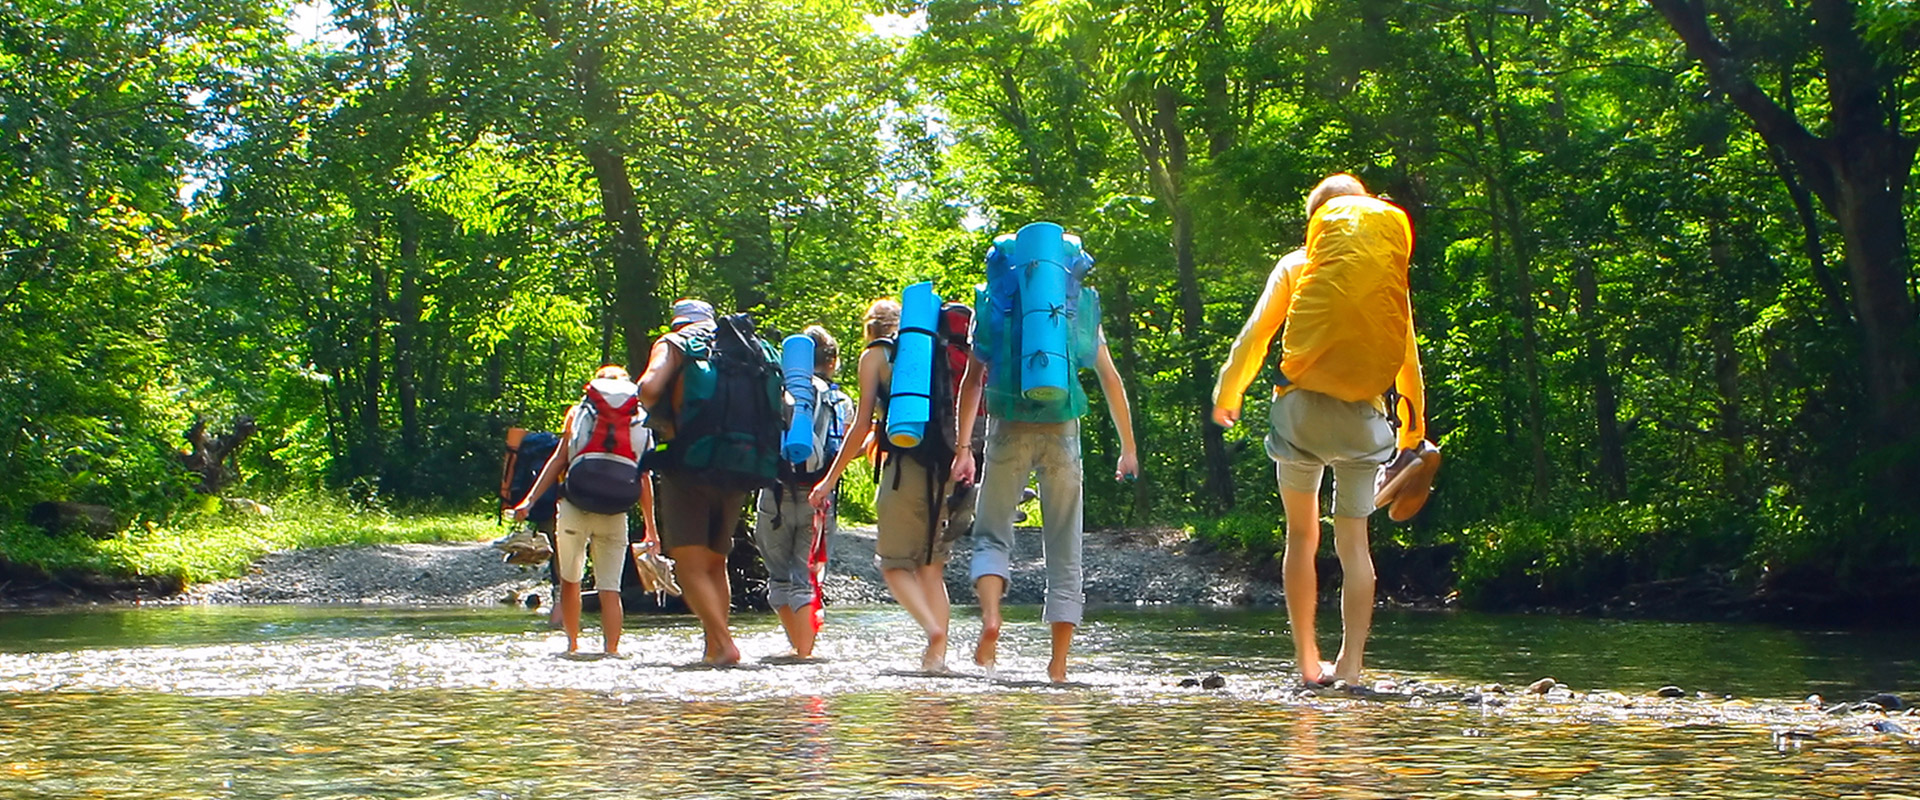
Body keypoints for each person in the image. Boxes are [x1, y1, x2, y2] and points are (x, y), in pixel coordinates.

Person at [1209, 173, 1436, 687]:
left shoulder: (1298, 264)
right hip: (1362, 419)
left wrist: (1229, 391)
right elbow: (1407, 363)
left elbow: (1255, 337)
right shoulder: (1385, 276)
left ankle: (1308, 661)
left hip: (1300, 415)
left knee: (1302, 533)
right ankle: (1352, 666)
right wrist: (1411, 432)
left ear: (1317, 220)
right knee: (1354, 542)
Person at [952, 230, 1140, 684]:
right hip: (1062, 429)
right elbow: (1111, 380)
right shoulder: (1076, 307)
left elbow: (973, 382)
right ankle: (1058, 664)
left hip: (1007, 428)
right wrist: (1128, 448)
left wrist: (963, 447)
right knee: (1064, 546)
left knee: (991, 534)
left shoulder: (995, 303)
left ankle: (992, 619)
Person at [809, 299, 964, 673]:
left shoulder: (875, 356)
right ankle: (936, 661)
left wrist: (829, 479)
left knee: (894, 565)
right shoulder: (935, 348)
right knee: (930, 568)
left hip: (905, 468)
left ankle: (933, 634)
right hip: (948, 464)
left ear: (870, 328)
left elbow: (862, 424)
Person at [637, 298, 777, 666]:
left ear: (678, 321)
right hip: (740, 463)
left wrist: (663, 415)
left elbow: (649, 387)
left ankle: (724, 642)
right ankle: (712, 647)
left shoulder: (675, 342)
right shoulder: (746, 349)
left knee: (687, 563)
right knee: (715, 562)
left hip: (688, 462)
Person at [509, 366, 658, 657]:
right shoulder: (639, 419)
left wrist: (528, 501)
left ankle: (573, 646)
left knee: (570, 580)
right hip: (615, 512)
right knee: (610, 588)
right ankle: (612, 651)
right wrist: (651, 528)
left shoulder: (579, 412)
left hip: (574, 507)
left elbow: (558, 460)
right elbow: (644, 477)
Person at [755, 325, 844, 659]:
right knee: (805, 580)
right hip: (818, 496)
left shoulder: (780, 391)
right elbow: (844, 446)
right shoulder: (838, 399)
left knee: (779, 579)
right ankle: (805, 656)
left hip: (774, 495)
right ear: (831, 361)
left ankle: (796, 650)